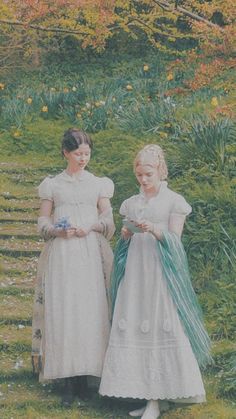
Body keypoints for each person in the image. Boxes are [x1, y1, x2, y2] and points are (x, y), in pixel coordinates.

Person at [99, 144, 212, 418]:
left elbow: (175, 240)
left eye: (148, 174)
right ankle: (144, 394)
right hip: (136, 272)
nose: (143, 180)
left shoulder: (174, 201)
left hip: (160, 272)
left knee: (161, 325)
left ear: (160, 170)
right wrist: (127, 232)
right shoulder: (132, 203)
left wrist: (155, 230)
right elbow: (124, 241)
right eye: (139, 175)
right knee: (135, 321)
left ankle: (159, 397)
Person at [32, 128, 115, 405]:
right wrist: (56, 230)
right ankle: (67, 381)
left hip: (89, 252)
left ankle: (87, 379)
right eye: (78, 153)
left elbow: (108, 219)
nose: (83, 158)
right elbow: (42, 222)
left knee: (89, 312)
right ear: (66, 153)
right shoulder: (53, 185)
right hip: (63, 255)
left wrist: (92, 226)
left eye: (87, 154)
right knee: (65, 311)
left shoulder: (97, 184)